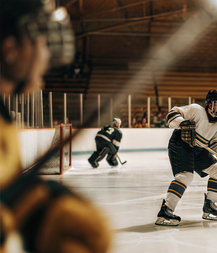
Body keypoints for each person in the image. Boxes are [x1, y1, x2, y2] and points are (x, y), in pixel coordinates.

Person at [0, 0, 111, 252]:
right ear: (10, 48)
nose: (47, 55)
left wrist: (41, 214)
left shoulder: (4, 119)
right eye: (39, 42)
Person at [155, 90, 217, 226]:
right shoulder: (196, 110)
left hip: (199, 149)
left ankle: (210, 205)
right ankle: (166, 210)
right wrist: (182, 124)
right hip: (181, 144)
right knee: (185, 176)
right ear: (209, 105)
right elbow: (173, 112)